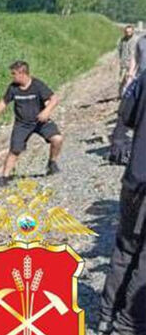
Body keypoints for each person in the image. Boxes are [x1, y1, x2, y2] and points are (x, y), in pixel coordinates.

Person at [98, 72, 146, 335]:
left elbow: (124, 116)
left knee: (126, 247)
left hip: (135, 176)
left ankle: (107, 314)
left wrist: (119, 140)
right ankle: (129, 324)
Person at [0, 61, 63, 182]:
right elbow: (4, 102)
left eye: (14, 74)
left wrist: (46, 111)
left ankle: (52, 163)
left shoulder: (37, 85)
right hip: (22, 124)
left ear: (22, 73)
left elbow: (54, 99)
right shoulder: (13, 88)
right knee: (15, 150)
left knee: (57, 139)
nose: (12, 76)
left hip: (40, 121)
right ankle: (4, 177)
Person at [118, 25, 137, 96]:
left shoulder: (136, 40)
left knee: (130, 79)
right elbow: (120, 50)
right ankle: (121, 94)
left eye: (129, 31)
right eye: (126, 32)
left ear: (132, 31)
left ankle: (128, 95)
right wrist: (120, 60)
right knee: (121, 80)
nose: (128, 33)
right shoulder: (122, 40)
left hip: (133, 63)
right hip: (124, 63)